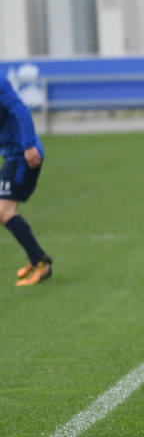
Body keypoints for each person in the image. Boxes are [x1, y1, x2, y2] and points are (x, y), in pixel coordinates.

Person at [0, 76, 52, 286]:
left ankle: (40, 263)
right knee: (3, 211)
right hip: (12, 155)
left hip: (23, 155)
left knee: (4, 211)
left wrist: (29, 145)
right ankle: (36, 257)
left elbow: (21, 110)